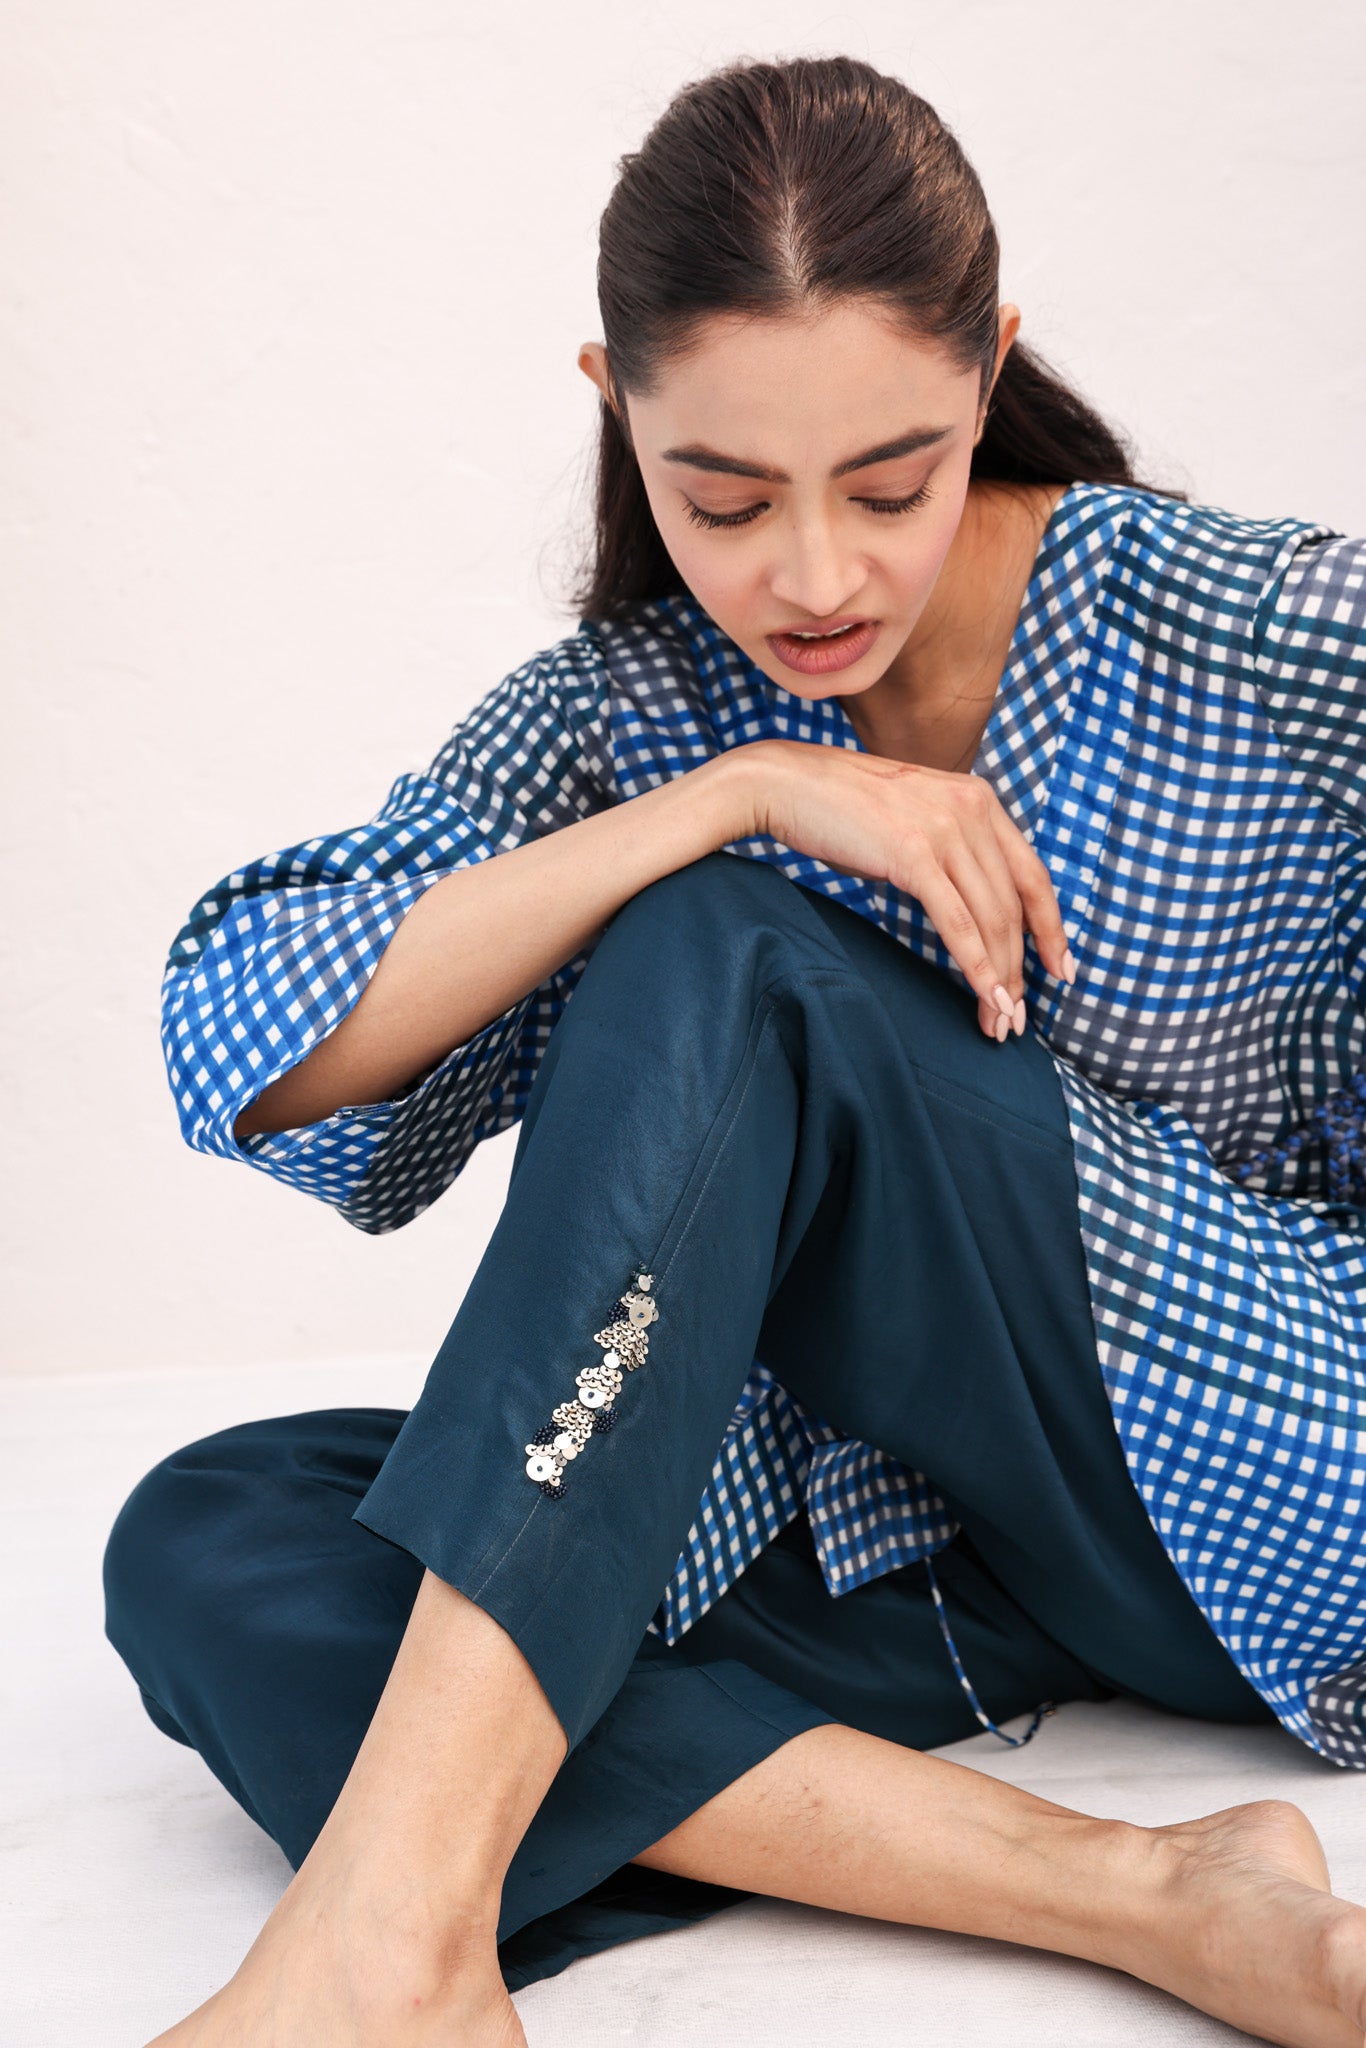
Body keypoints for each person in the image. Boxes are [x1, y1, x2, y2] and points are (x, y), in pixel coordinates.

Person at [101, 51, 1366, 2048]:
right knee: (217, 1538)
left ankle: (388, 1954)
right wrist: (731, 797)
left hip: (1269, 1474)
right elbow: (240, 1025)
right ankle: (1141, 1892)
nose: (815, 576)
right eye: (723, 499)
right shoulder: (630, 716)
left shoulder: (1259, 634)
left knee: (730, 957)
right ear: (616, 410)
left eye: (890, 483)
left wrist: (713, 879)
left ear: (988, 375)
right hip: (882, 1562)